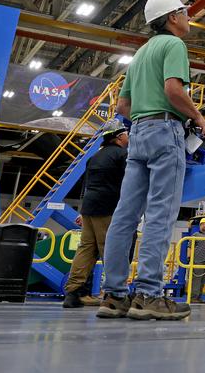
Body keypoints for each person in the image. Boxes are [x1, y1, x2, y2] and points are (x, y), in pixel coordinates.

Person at [97, 0, 205, 322]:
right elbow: (174, 91)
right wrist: (198, 119)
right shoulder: (174, 46)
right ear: (172, 17)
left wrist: (146, 119)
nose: (188, 16)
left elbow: (123, 107)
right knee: (161, 214)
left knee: (125, 216)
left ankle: (114, 295)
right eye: (184, 11)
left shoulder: (140, 55)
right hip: (165, 132)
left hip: (138, 135)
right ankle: (148, 293)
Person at [63, 123, 129, 308]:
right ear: (118, 137)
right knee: (110, 250)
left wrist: (83, 211)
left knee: (86, 249)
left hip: (89, 209)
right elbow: (128, 183)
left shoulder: (94, 157)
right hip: (107, 208)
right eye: (126, 134)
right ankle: (114, 294)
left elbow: (88, 185)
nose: (128, 137)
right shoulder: (121, 155)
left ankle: (73, 293)